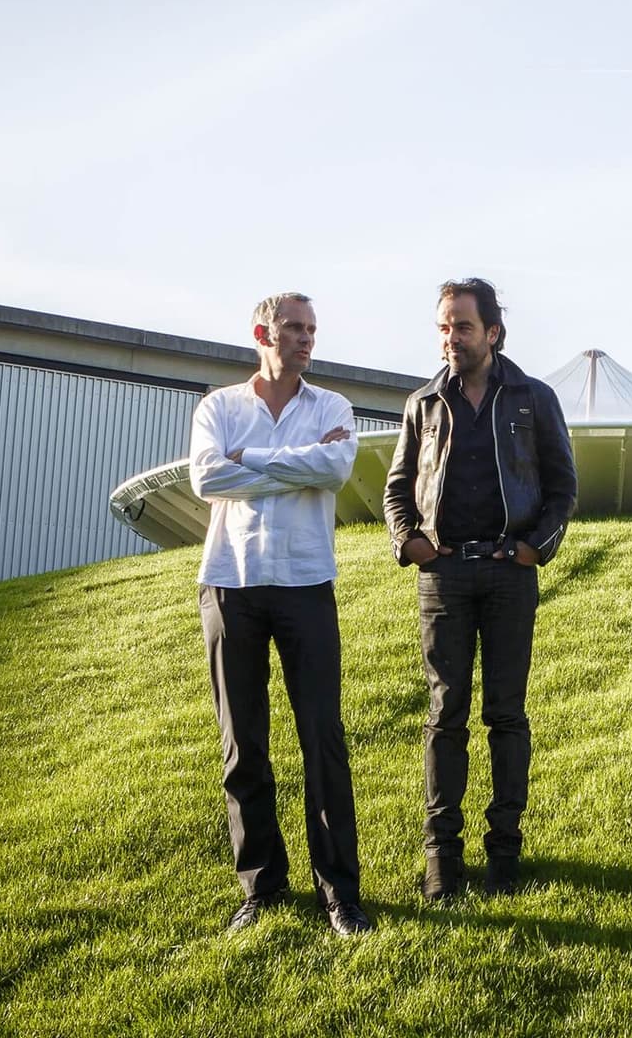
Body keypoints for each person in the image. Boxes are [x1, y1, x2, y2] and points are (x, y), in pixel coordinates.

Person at [383, 278, 577, 901]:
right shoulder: (423, 405)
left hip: (507, 574)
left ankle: (504, 857)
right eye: (443, 327)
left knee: (506, 715)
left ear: (492, 333)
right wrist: (408, 541)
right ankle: (442, 859)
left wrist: (533, 548)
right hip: (442, 578)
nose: (450, 338)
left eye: (462, 327)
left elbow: (562, 488)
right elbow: (398, 488)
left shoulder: (532, 398)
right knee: (445, 715)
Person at [188, 292, 372, 937]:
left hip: (305, 584)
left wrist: (250, 462)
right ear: (263, 332)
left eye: (312, 329)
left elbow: (336, 465)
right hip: (230, 587)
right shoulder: (218, 407)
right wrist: (292, 465)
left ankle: (340, 893)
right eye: (294, 328)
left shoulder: (333, 407)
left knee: (322, 738)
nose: (306, 339)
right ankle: (261, 887)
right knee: (243, 746)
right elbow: (208, 480)